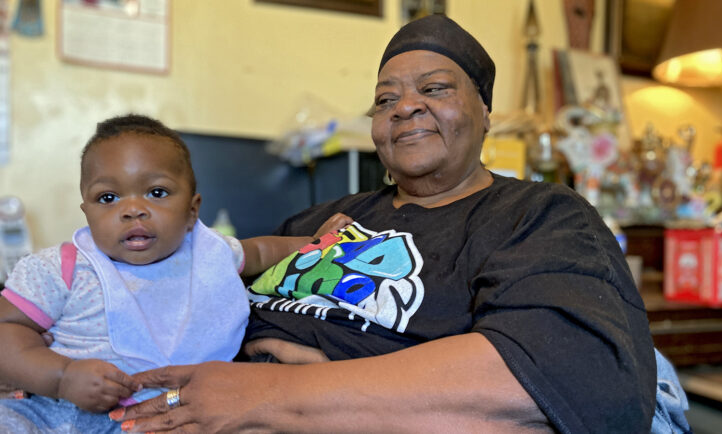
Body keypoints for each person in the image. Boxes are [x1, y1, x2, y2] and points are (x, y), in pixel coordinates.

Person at [115, 15, 659, 433]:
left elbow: (556, 376)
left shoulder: (539, 216)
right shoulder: (317, 219)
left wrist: (277, 395)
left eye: (436, 88)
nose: (405, 107)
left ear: (485, 111)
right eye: (385, 98)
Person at [0, 114, 351, 433]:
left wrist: (314, 242)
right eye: (108, 198)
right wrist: (60, 377)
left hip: (157, 421)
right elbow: (6, 332)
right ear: (86, 211)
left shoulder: (210, 256)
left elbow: (260, 252)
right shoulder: (62, 269)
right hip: (50, 413)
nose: (132, 209)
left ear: (192, 211)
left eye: (156, 192)